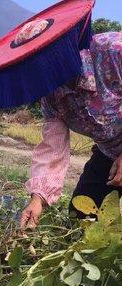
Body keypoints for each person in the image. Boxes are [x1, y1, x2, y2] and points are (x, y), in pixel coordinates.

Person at [20, 32, 122, 228]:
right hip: (109, 151)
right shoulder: (52, 98)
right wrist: (37, 198)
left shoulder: (112, 51)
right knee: (82, 217)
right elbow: (52, 150)